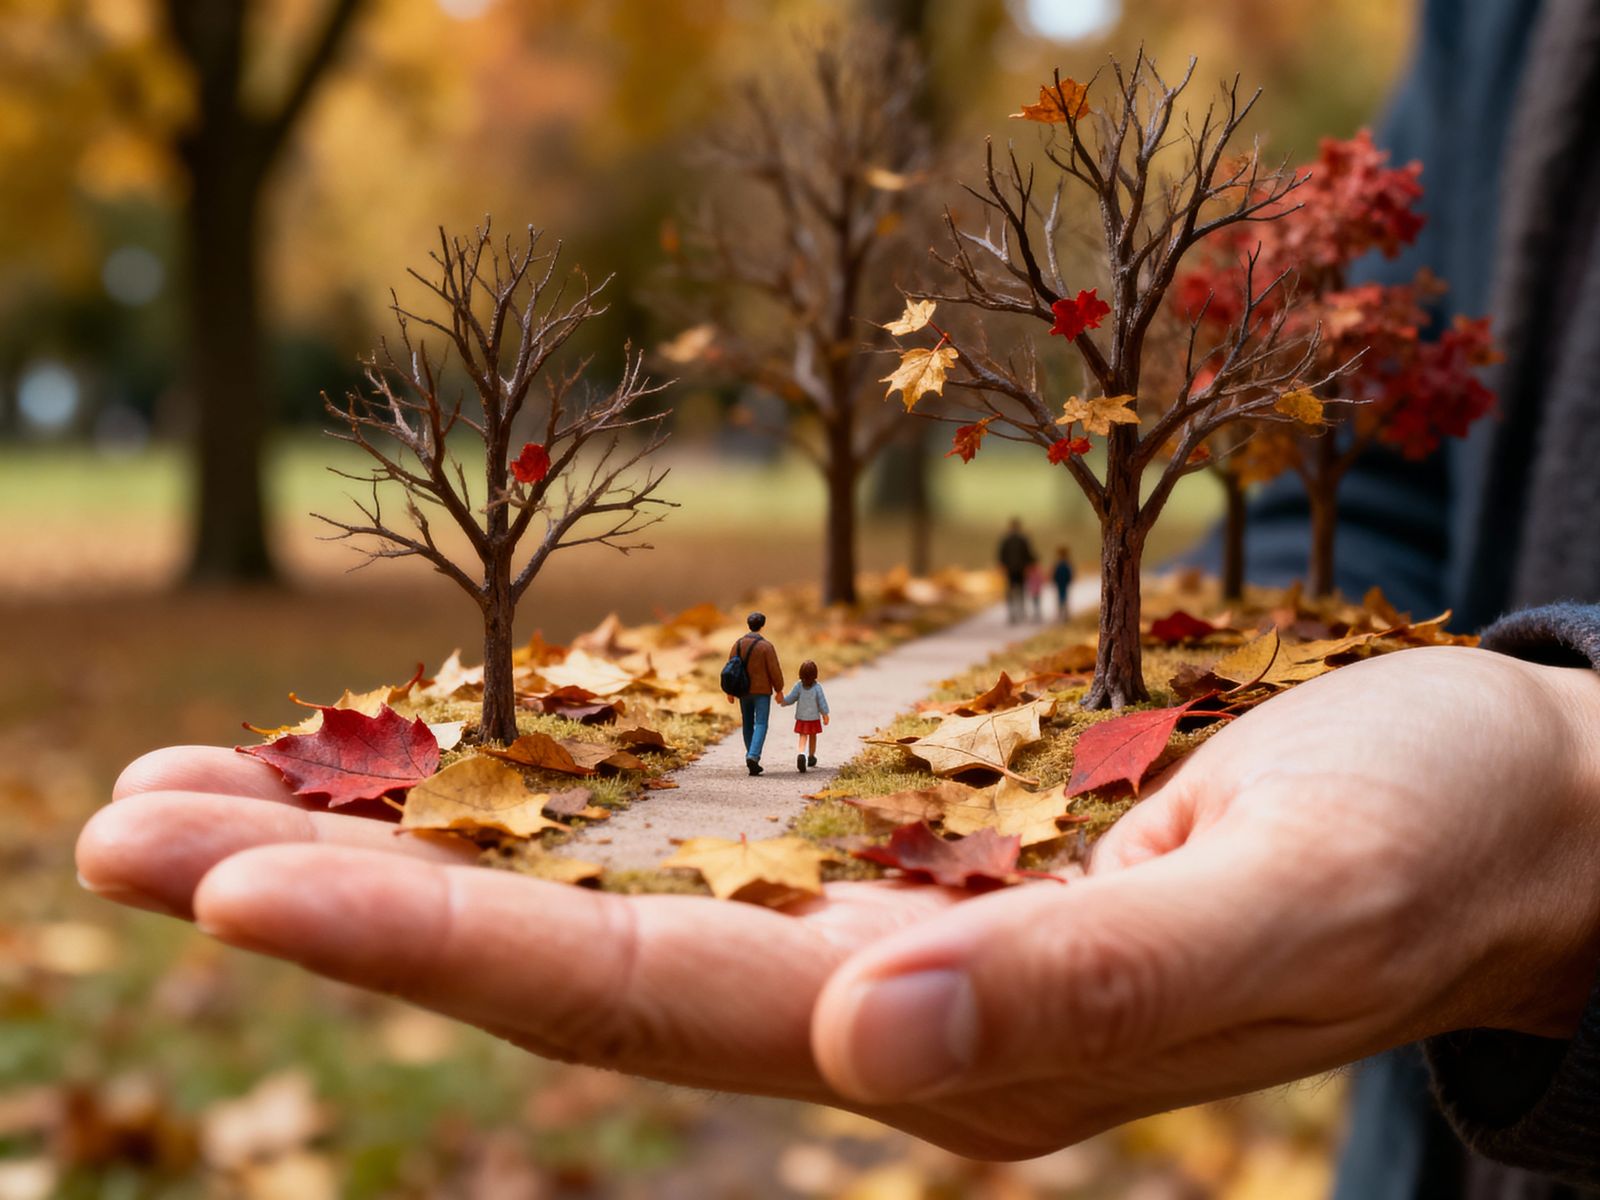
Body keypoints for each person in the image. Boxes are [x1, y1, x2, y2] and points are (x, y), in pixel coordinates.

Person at [70, 3, 1600, 1194]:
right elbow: (1368, 458)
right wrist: (1277, 667)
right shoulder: (1485, 28)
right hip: (1434, 1149)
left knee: (794, 758)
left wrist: (1576, 791)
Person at [724, 611, 784, 776]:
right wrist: (779, 689)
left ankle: (751, 755)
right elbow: (774, 670)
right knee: (761, 723)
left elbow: (730, 669)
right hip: (762, 692)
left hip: (743, 691)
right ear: (762, 626)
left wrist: (730, 691)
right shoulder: (766, 647)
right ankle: (753, 755)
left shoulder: (737, 645)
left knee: (748, 723)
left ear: (748, 625)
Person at [776, 659, 830, 773]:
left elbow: (791, 698)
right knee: (813, 736)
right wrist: (825, 714)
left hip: (802, 718)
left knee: (803, 736)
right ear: (815, 674)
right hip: (814, 718)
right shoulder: (817, 687)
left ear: (800, 674)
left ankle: (801, 753)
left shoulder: (798, 686)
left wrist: (783, 701)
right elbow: (822, 702)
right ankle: (811, 756)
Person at [997, 518, 1036, 624]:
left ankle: (1012, 613)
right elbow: (1028, 553)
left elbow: (1001, 554)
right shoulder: (1023, 539)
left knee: (1011, 590)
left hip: (1010, 568)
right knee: (1021, 590)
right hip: (1021, 568)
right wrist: (1031, 563)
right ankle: (1021, 611)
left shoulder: (1006, 539)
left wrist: (1002, 565)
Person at [1052, 546, 1074, 619]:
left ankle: (1063, 613)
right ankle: (1063, 613)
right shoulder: (1065, 563)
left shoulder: (1061, 563)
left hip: (1062, 582)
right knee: (1063, 596)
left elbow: (1055, 573)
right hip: (1061, 582)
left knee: (1062, 597)